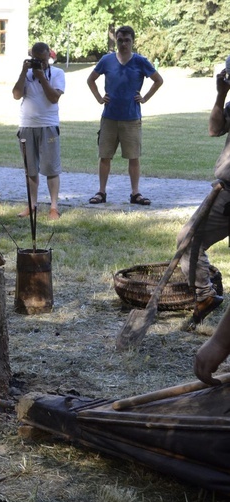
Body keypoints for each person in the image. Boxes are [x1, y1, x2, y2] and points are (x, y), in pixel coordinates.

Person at [177, 64, 230, 328]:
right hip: (225, 191)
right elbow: (214, 129)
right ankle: (205, 294)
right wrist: (221, 95)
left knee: (188, 239)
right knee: (187, 239)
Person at [87, 25, 163, 206]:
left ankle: (135, 193)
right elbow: (90, 80)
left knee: (133, 157)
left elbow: (158, 80)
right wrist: (99, 98)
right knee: (105, 156)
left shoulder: (140, 61)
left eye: (127, 40)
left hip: (131, 118)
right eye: (120, 40)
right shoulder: (106, 60)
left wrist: (144, 98)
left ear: (132, 41)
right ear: (116, 40)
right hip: (109, 117)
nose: (123, 44)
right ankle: (101, 192)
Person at [12, 42, 65, 220]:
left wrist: (42, 77)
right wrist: (22, 71)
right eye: (36, 60)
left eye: (43, 60)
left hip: (48, 125)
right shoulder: (26, 74)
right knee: (30, 169)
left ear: (49, 56)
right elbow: (16, 94)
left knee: (51, 168)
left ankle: (54, 207)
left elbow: (53, 98)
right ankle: (32, 205)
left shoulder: (57, 73)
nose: (40, 64)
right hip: (27, 125)